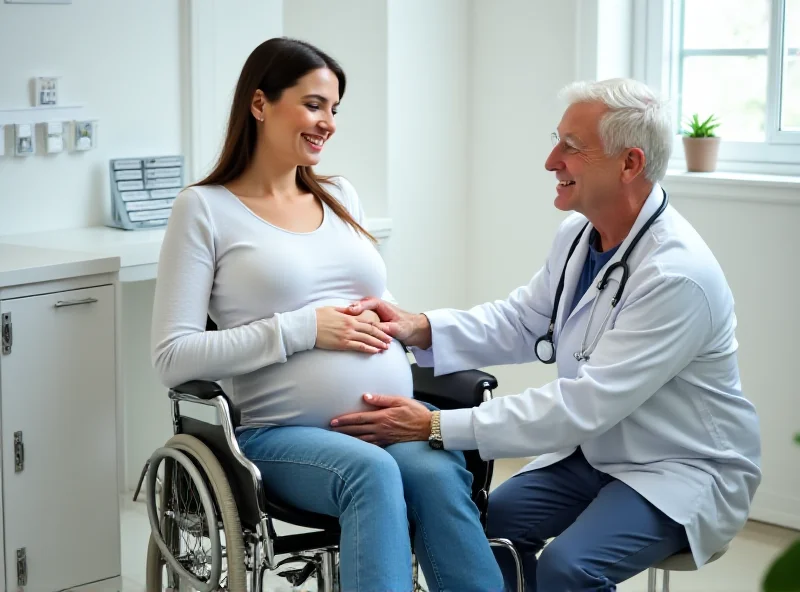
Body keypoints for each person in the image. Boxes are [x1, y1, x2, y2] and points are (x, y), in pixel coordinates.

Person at [331, 78, 762, 592]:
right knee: (481, 534)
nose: (551, 160)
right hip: (596, 453)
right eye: (555, 140)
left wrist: (437, 426)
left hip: (677, 465)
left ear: (629, 163)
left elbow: (584, 404)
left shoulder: (677, 277)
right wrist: (419, 326)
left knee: (569, 570)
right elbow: (524, 320)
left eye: (571, 147)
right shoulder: (580, 234)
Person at [150, 37, 504, 592]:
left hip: (387, 421)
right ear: (260, 103)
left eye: (334, 109)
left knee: (437, 476)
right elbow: (173, 358)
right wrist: (303, 328)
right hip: (280, 435)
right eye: (314, 104)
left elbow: (367, 302)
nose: (328, 123)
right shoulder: (204, 209)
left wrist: (396, 324)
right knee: (370, 473)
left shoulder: (341, 195)